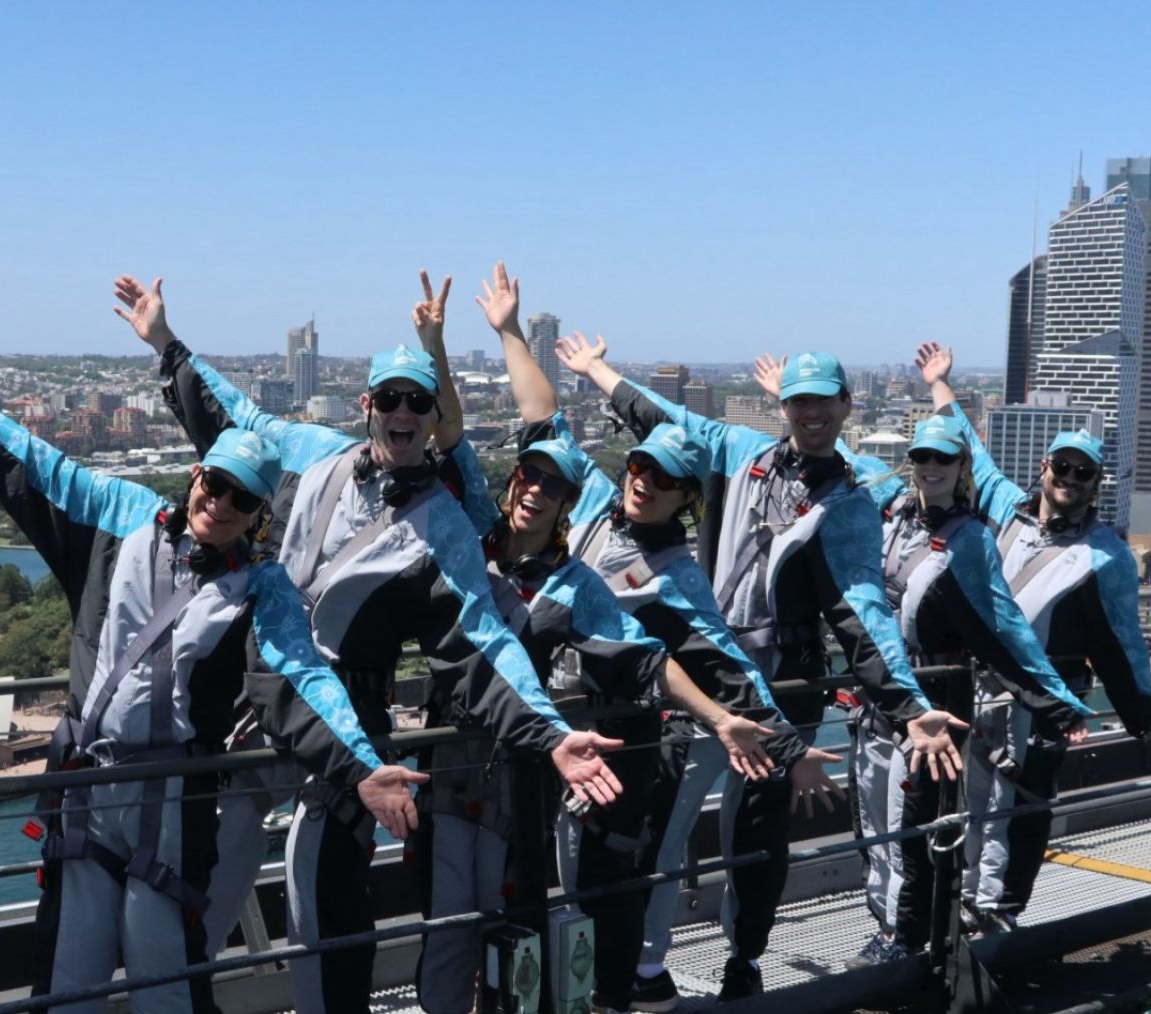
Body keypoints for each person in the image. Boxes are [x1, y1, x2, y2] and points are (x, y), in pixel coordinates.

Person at [119, 273, 625, 1014]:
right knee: (201, 889)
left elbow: (481, 641)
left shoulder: (445, 527)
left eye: (418, 402)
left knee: (324, 911)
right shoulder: (317, 458)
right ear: (367, 406)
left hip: (347, 725)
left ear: (432, 418)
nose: (402, 412)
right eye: (389, 398)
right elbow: (236, 416)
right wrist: (165, 342)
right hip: (255, 705)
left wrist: (547, 733)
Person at [0, 356, 427, 1014]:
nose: (220, 505)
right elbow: (35, 466)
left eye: (242, 498)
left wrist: (361, 768)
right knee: (69, 983)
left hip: (172, 808)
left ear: (258, 515)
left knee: (165, 984)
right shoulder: (120, 521)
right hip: (83, 792)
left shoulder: (260, 590)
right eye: (216, 485)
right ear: (197, 476)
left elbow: (300, 681)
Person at [557, 331, 967, 1001]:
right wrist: (597, 369)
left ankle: (743, 960)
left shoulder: (850, 506)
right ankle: (648, 969)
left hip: (785, 685)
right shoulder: (741, 454)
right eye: (798, 402)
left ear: (846, 406)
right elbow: (669, 422)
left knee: (755, 838)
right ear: (783, 404)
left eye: (823, 405)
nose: (811, 416)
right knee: (665, 827)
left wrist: (911, 710)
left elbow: (863, 616)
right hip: (707, 679)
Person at [418, 268, 783, 1014]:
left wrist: (737, 723)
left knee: (524, 921)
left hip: (531, 771)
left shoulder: (582, 582)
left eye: (551, 487)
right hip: (455, 763)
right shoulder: (479, 537)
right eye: (527, 478)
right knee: (449, 932)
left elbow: (660, 657)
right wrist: (491, 336)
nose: (534, 490)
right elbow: (503, 421)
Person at [746, 368, 1093, 966]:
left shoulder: (973, 539)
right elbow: (842, 459)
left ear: (961, 468)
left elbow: (1007, 629)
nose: (930, 465)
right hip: (878, 701)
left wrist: (1057, 699)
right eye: (921, 456)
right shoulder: (893, 512)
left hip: (935, 704)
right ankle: (887, 928)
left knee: (915, 829)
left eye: (943, 457)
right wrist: (801, 401)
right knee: (872, 825)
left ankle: (911, 942)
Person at [837, 342, 1151, 933]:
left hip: (1043, 699)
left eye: (1083, 472)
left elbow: (1124, 642)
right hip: (978, 687)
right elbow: (965, 446)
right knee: (966, 804)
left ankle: (996, 914)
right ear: (1043, 469)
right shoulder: (1006, 508)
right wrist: (940, 383)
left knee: (1015, 806)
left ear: (1096, 483)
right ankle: (953, 911)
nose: (1069, 479)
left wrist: (1143, 712)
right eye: (1061, 467)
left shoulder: (1108, 557)